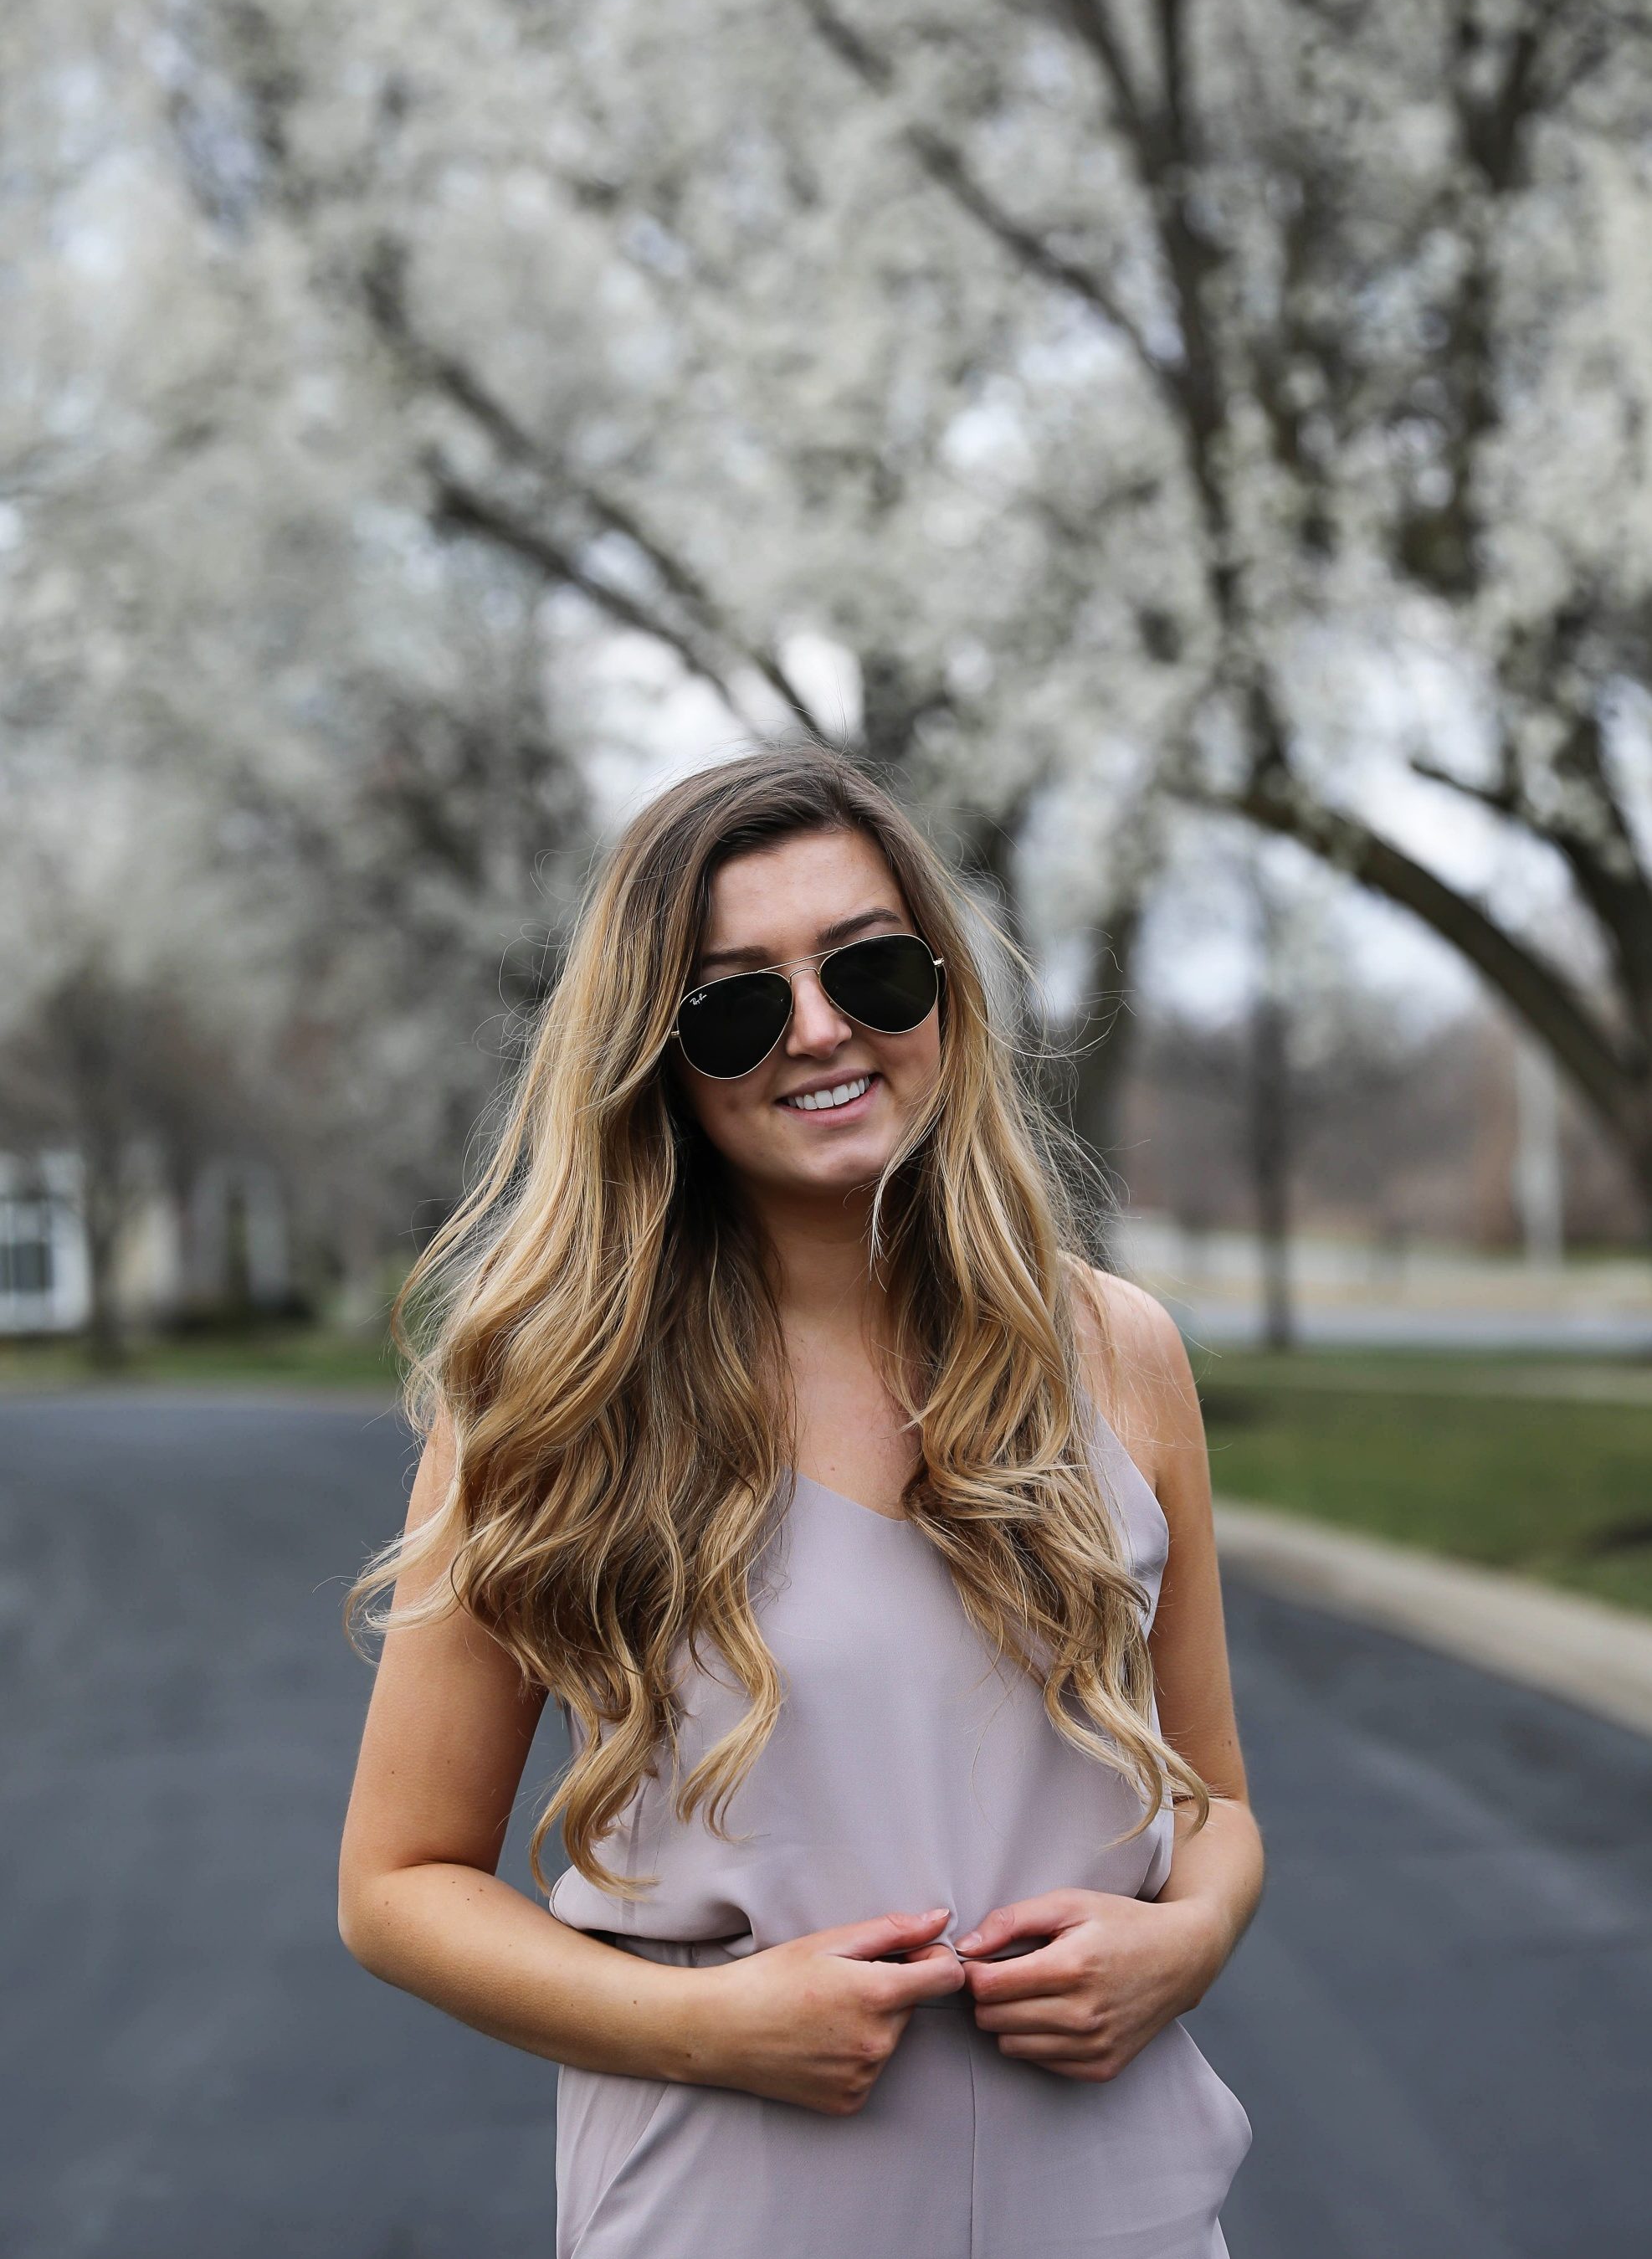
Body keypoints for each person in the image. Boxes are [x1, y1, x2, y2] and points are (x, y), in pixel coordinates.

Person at [338, 744, 1263, 2259]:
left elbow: (1214, 1802)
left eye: (870, 967)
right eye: (734, 1002)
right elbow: (397, 1884)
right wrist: (709, 2026)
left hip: (1118, 2209)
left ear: (944, 993)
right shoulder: (547, 1395)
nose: (821, 1030)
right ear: (657, 1057)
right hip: (733, 2211)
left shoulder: (1117, 1350)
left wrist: (1184, 1941)